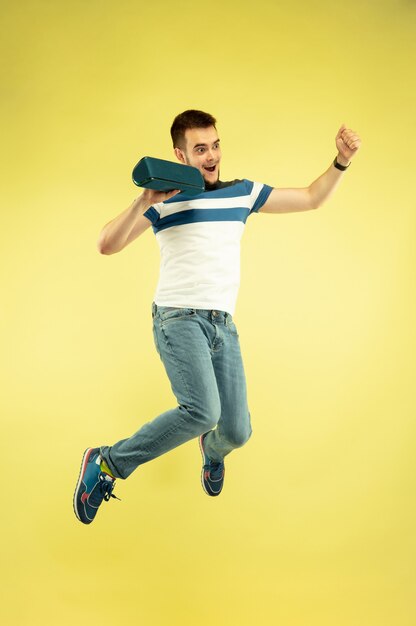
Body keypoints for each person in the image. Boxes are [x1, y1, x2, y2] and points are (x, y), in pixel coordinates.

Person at [73, 109, 361, 524]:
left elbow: (313, 197)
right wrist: (143, 200)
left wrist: (342, 161)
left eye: (216, 145)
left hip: (223, 326)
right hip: (177, 318)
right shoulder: (164, 200)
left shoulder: (242, 193)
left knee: (237, 432)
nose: (211, 156)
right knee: (202, 411)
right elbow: (106, 244)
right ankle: (107, 463)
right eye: (200, 148)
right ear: (180, 154)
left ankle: (211, 451)